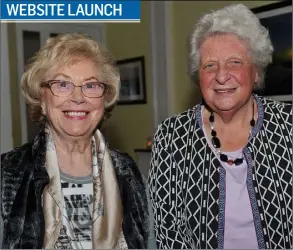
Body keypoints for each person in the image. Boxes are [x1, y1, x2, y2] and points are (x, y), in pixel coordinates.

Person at [148, 3, 292, 249]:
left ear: (256, 72)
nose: (222, 76)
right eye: (210, 65)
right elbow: (168, 232)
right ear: (198, 76)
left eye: (235, 62)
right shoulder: (172, 136)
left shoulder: (288, 125)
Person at [1, 33, 149, 249]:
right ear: (42, 98)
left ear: (104, 98)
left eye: (90, 86)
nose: (78, 98)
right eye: (62, 84)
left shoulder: (128, 173)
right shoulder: (8, 174)